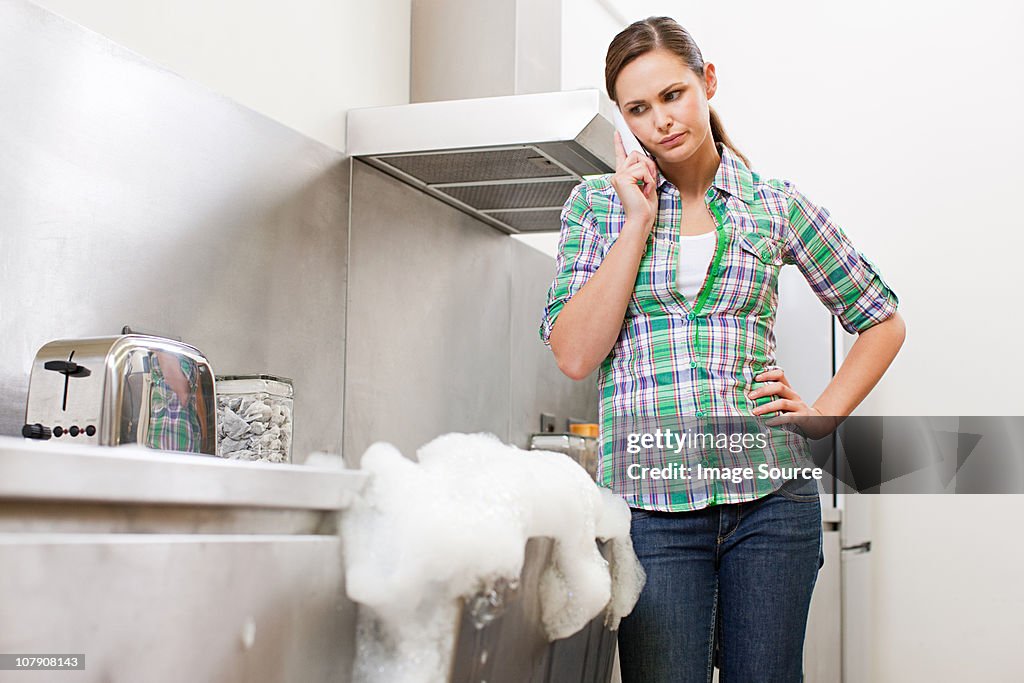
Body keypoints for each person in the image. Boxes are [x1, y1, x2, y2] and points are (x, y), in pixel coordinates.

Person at [538, 16, 905, 683]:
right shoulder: (598, 205)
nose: (662, 122)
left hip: (770, 503)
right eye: (639, 109)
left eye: (673, 95)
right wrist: (638, 222)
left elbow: (881, 319)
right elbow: (573, 353)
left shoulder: (774, 206)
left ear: (707, 81)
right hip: (651, 510)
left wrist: (822, 415)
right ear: (623, 119)